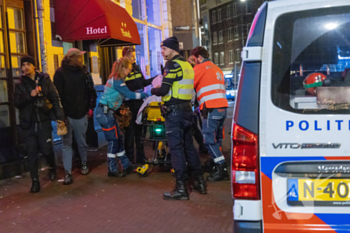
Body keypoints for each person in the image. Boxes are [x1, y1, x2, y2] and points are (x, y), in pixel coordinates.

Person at [151, 36, 206, 200]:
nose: (162, 52)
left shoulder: (172, 65)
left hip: (174, 113)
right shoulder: (187, 65)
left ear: (173, 49)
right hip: (187, 111)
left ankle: (181, 187)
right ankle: (199, 181)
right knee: (189, 147)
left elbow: (164, 90)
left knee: (176, 149)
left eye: (164, 49)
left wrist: (154, 90)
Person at [14, 55, 65, 193]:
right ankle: (35, 181)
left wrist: (59, 116)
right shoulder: (19, 84)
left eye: (28, 64)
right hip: (28, 123)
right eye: (23, 65)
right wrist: (28, 96)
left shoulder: (44, 79)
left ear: (34, 66)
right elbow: (17, 103)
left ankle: (52, 167)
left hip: (43, 121)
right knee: (31, 153)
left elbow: (54, 97)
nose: (25, 67)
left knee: (47, 149)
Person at [95, 58, 148, 177]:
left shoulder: (114, 79)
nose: (129, 72)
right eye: (129, 69)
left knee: (118, 139)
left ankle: (125, 164)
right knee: (114, 140)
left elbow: (124, 96)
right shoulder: (118, 80)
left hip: (106, 112)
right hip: (105, 113)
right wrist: (145, 94)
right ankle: (112, 168)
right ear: (123, 68)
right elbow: (129, 94)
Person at [53, 48, 97, 185]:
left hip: (80, 113)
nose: (80, 59)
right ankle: (68, 172)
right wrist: (60, 115)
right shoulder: (60, 74)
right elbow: (57, 96)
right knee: (67, 143)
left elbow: (91, 91)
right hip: (67, 114)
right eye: (78, 57)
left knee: (81, 142)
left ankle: (83, 163)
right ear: (71, 58)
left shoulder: (83, 72)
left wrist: (90, 108)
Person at [190, 46, 229, 182]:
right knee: (217, 139)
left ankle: (221, 167)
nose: (194, 62)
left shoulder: (200, 68)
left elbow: (189, 85)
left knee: (208, 140)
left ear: (199, 57)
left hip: (211, 108)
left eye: (194, 60)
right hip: (222, 108)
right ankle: (214, 162)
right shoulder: (217, 68)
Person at [122, 47, 154, 165]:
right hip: (129, 103)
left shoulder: (136, 68)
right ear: (125, 56)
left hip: (138, 102)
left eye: (134, 56)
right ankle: (130, 159)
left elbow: (142, 82)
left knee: (139, 131)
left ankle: (141, 157)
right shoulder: (123, 69)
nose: (133, 58)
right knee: (129, 133)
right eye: (131, 56)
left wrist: (154, 79)